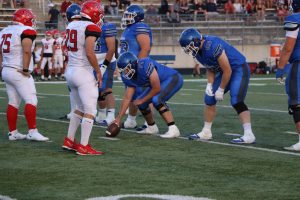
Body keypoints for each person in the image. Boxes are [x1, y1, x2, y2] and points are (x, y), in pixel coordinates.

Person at [179, 28, 256, 144]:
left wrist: (221, 89)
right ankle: (206, 132)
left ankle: (249, 134)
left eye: (189, 46)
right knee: (209, 98)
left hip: (238, 68)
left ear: (196, 40)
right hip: (225, 71)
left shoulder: (212, 45)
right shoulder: (199, 52)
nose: (188, 50)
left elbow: (227, 70)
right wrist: (209, 85)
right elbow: (210, 68)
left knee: (236, 100)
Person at [0, 8, 49, 141]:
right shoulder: (26, 31)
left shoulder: (4, 30)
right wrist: (26, 69)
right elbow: (27, 51)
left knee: (13, 102)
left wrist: (2, 66)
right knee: (31, 100)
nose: (33, 22)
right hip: (18, 70)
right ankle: (32, 131)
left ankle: (13, 132)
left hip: (7, 69)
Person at [62, 1, 104, 155]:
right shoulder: (91, 27)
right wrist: (98, 71)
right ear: (93, 13)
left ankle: (69, 140)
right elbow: (89, 52)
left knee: (78, 108)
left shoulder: (71, 25)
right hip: (83, 72)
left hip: (71, 70)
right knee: (90, 110)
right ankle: (83, 146)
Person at [114, 52, 183, 138]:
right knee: (141, 102)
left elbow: (156, 88)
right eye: (123, 70)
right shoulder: (128, 77)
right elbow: (127, 98)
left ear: (133, 64)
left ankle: (173, 129)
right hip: (158, 84)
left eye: (127, 69)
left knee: (156, 99)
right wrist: (119, 118)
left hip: (172, 78)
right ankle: (151, 127)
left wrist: (143, 99)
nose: (125, 73)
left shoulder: (144, 65)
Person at [120, 4, 153, 131]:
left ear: (137, 17)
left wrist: (138, 66)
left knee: (143, 95)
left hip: (137, 66)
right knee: (132, 94)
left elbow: (145, 47)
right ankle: (131, 121)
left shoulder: (140, 26)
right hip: (129, 67)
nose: (126, 18)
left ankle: (149, 123)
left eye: (129, 16)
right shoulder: (129, 28)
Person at [276, 0, 300, 151]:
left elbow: (288, 48)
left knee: (296, 103)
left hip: (298, 65)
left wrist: (280, 69)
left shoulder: (295, 18)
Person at [94, 20, 118, 126]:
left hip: (106, 62)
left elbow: (112, 48)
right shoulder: (87, 25)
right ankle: (102, 114)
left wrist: (104, 65)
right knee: (98, 89)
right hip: (94, 63)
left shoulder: (107, 26)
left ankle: (111, 115)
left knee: (107, 89)